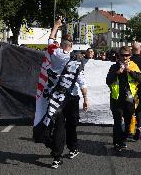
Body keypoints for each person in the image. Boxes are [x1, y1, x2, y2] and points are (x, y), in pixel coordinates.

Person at [34, 19, 89, 169]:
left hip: (57, 95)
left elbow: (50, 40)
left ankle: (57, 157)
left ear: (62, 42)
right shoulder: (77, 60)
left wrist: (56, 26)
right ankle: (73, 148)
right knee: (71, 125)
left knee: (59, 126)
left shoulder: (55, 53)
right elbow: (81, 81)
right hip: (71, 97)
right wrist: (85, 98)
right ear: (72, 44)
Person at [106, 46, 141, 151]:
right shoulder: (114, 67)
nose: (124, 57)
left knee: (128, 121)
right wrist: (117, 73)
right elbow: (108, 81)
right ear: (119, 56)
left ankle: (123, 140)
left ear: (130, 56)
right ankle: (117, 142)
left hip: (129, 98)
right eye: (122, 55)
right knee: (117, 121)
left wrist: (130, 71)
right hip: (116, 98)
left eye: (126, 55)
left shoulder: (134, 66)